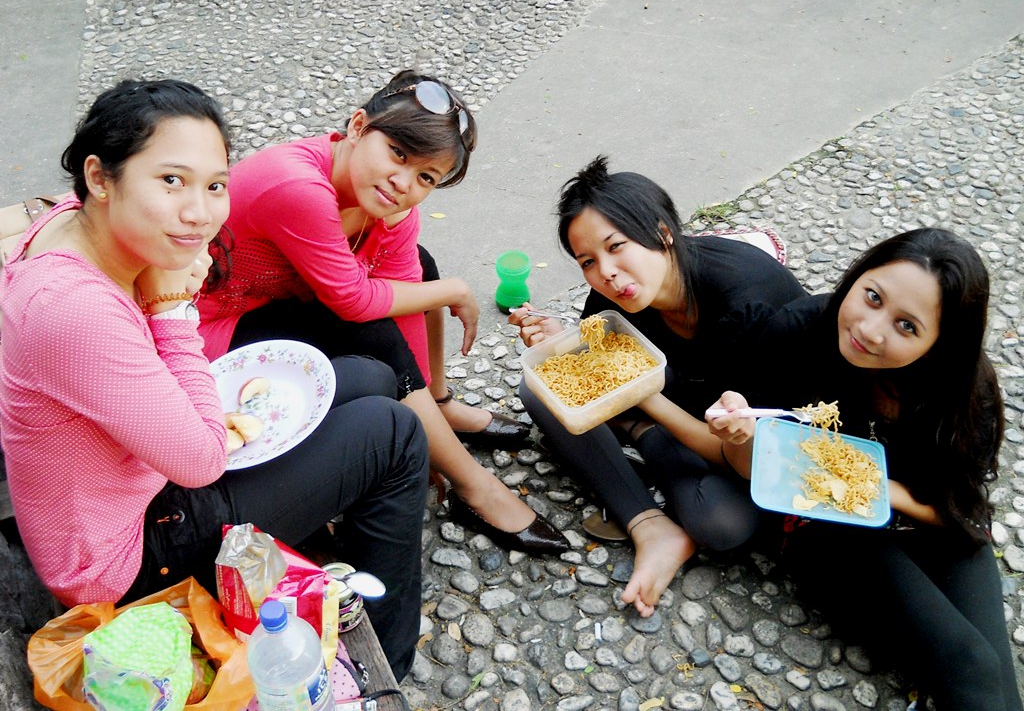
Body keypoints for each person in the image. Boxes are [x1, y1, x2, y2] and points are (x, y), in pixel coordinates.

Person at [0, 79, 428, 680]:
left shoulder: (76, 225)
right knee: (394, 435)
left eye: (215, 185)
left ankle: (320, 554)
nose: (199, 214)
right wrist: (175, 307)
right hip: (123, 559)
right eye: (171, 180)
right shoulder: (73, 308)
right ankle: (377, 668)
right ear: (100, 177)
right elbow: (200, 461)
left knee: (366, 378)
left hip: (131, 478)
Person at [197, 69, 568, 554]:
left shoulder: (391, 207)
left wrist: (420, 411)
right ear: (357, 126)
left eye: (426, 177)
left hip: (284, 302)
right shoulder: (297, 185)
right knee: (375, 327)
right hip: (211, 326)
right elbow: (353, 301)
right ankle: (475, 488)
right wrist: (454, 290)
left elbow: (409, 295)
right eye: (398, 153)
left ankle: (438, 407)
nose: (403, 182)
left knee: (421, 270)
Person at [707, 228, 1022, 711]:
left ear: (941, 343)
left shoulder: (963, 396)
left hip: (932, 519)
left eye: (907, 326)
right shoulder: (798, 332)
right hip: (833, 525)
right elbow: (753, 473)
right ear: (857, 276)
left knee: (993, 677)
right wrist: (740, 437)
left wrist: (876, 486)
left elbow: (959, 510)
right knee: (971, 663)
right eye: (873, 297)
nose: (871, 330)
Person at [510, 156, 807, 616]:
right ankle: (650, 525)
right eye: (588, 261)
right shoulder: (616, 291)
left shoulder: (749, 304)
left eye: (617, 246)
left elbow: (747, 453)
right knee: (540, 386)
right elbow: (595, 359)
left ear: (663, 232)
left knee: (722, 523)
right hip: (681, 398)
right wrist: (560, 341)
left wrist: (641, 400)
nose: (606, 272)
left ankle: (642, 435)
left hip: (756, 442)